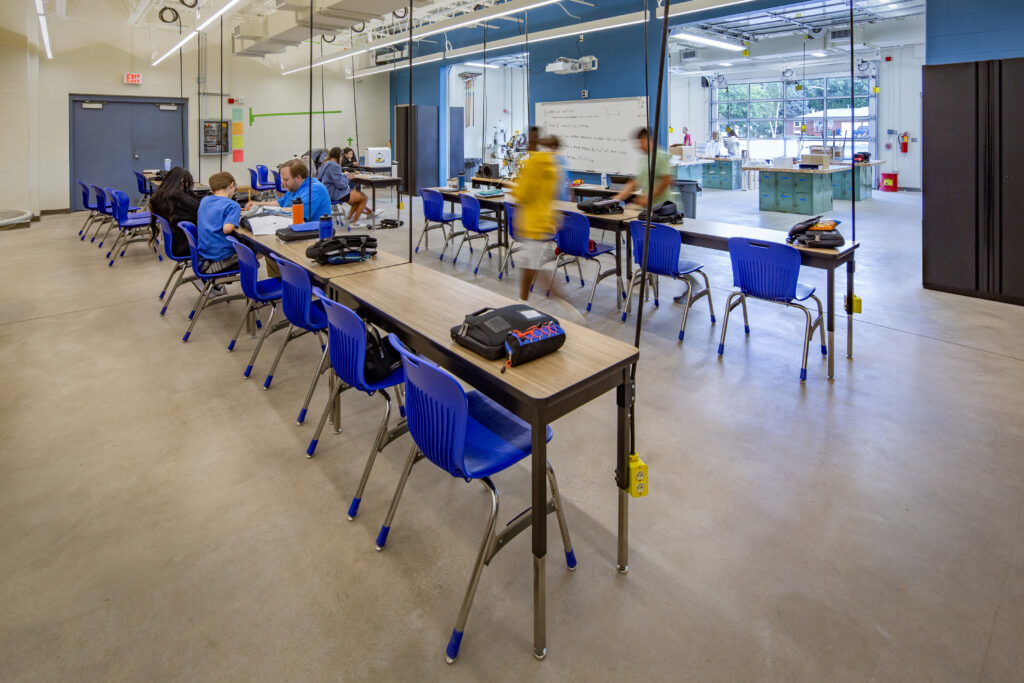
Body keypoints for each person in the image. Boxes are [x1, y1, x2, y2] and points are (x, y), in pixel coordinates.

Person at [511, 129, 563, 303]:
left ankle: (563, 301)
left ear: (534, 144)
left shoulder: (533, 164)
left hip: (531, 222)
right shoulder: (554, 166)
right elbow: (554, 193)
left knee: (532, 266)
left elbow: (522, 195)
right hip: (544, 221)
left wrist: (516, 186)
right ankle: (522, 301)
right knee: (528, 263)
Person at [246, 159, 331, 223]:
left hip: (312, 236)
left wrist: (265, 209)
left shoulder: (315, 189)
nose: (283, 183)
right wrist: (258, 204)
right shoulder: (294, 187)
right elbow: (280, 203)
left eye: (286, 179)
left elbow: (297, 211)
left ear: (298, 177)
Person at [613, 128, 675, 210]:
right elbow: (635, 183)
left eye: (641, 143)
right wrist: (617, 198)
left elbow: (667, 180)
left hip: (662, 208)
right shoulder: (645, 160)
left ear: (649, 140)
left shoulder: (660, 156)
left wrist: (649, 197)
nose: (639, 146)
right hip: (649, 207)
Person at [148, 166, 199, 258]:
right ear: (182, 181)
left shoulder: (160, 196)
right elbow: (199, 212)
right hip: (186, 245)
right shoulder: (179, 199)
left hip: (176, 242)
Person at [196, 172, 240, 274]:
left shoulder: (204, 200)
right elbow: (227, 229)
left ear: (211, 189)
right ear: (232, 185)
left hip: (204, 252)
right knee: (258, 251)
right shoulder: (233, 205)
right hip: (222, 254)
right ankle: (222, 264)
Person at [317, 147, 369, 226]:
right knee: (363, 198)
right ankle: (354, 222)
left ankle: (349, 219)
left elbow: (327, 178)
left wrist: (345, 176)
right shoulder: (334, 166)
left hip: (328, 192)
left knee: (357, 198)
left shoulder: (326, 164)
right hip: (335, 193)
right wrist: (348, 178)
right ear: (339, 156)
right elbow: (341, 185)